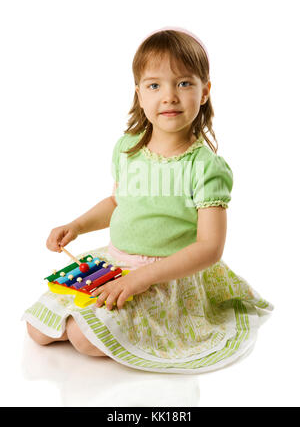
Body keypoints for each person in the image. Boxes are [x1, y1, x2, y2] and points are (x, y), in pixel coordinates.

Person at [22, 27, 273, 373]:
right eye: (155, 85)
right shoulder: (128, 148)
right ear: (140, 95)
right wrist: (77, 226)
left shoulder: (205, 167)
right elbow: (118, 203)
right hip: (113, 265)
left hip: (165, 278)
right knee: (38, 329)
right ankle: (92, 319)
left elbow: (209, 248)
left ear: (204, 92)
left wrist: (142, 279)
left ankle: (104, 326)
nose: (168, 96)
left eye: (184, 83)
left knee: (81, 337)